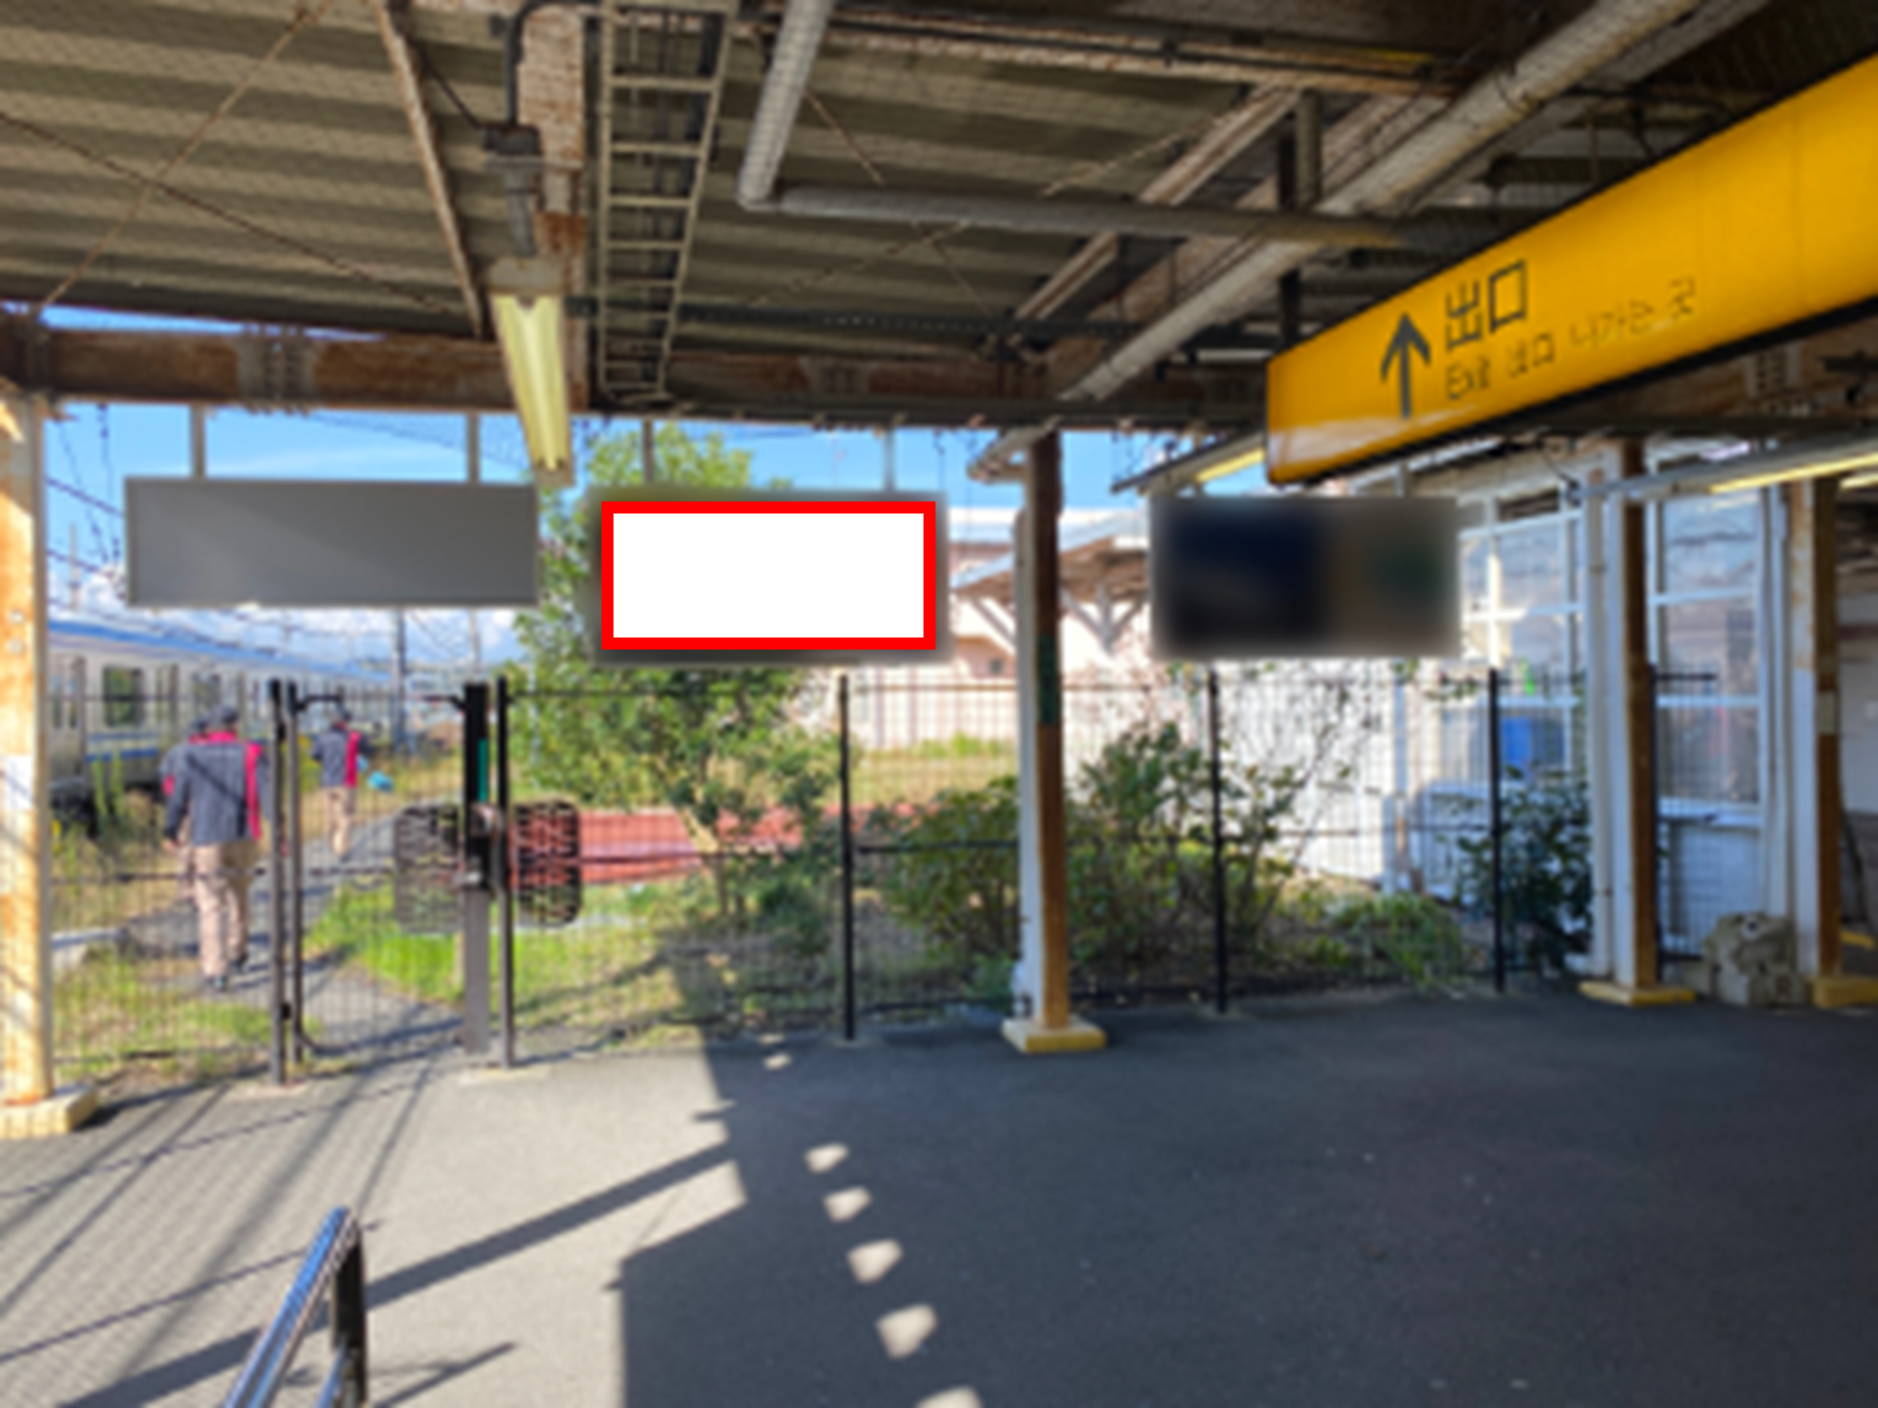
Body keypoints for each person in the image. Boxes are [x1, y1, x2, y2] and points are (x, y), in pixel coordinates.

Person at [163, 705, 270, 992]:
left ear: (209, 730)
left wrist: (171, 830)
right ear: (235, 726)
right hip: (244, 835)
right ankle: (237, 952)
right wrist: (280, 831)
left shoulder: (192, 756)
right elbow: (267, 795)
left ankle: (216, 971)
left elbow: (178, 797)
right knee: (239, 895)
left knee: (210, 903)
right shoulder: (252, 753)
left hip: (206, 837)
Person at [308, 707, 373, 858]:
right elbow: (369, 752)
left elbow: (314, 755)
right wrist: (366, 741)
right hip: (346, 783)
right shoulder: (355, 737)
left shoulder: (322, 737)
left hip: (326, 783)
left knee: (329, 817)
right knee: (346, 816)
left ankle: (333, 844)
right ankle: (342, 849)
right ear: (347, 721)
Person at [159, 715, 210, 902]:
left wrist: (174, 798)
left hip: (184, 807)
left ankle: (185, 890)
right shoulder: (210, 750)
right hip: (207, 807)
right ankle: (203, 888)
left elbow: (165, 777)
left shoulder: (175, 752)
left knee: (184, 850)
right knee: (206, 849)